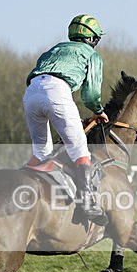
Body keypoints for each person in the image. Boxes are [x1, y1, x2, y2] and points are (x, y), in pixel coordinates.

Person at [23, 14, 110, 224]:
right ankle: (88, 204)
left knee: (41, 153)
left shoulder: (54, 49)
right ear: (91, 39)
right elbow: (89, 95)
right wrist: (98, 110)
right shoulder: (91, 54)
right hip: (57, 92)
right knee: (80, 150)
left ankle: (19, 181)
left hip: (31, 93)